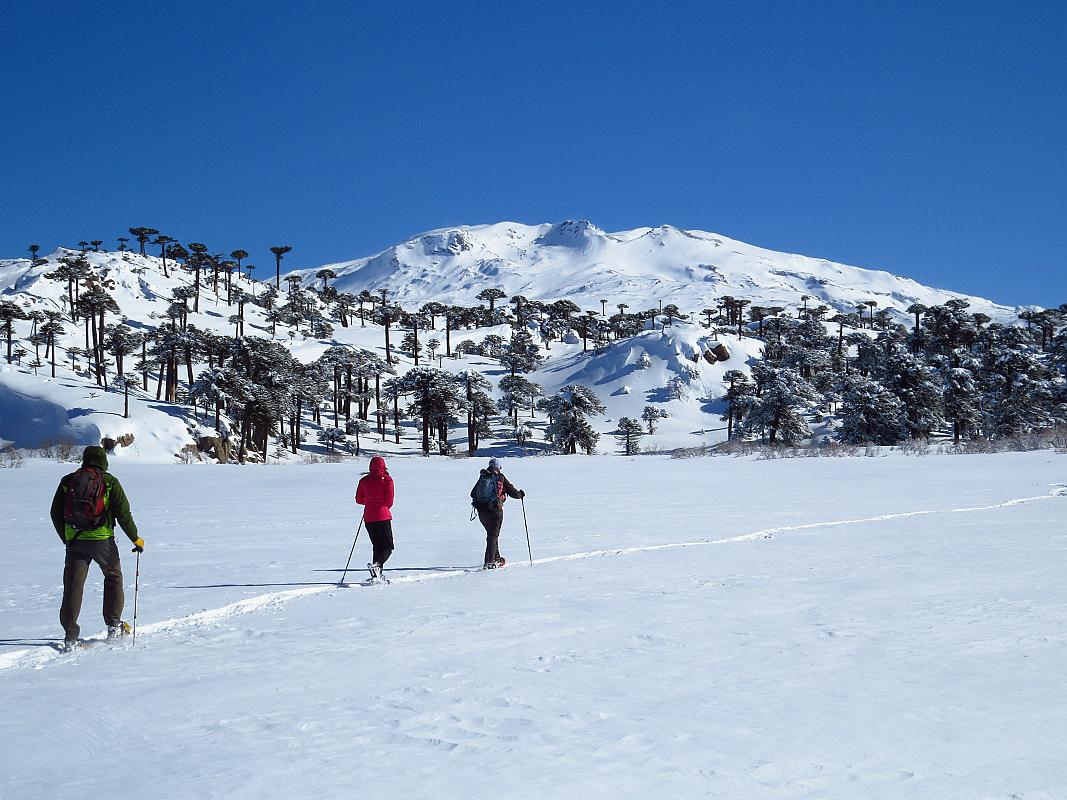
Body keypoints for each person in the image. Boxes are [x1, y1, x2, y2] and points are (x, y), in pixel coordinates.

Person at [49, 445, 143, 649]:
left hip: (75, 541)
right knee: (113, 577)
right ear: (103, 461)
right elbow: (123, 514)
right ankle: (113, 625)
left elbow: (55, 512)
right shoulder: (109, 481)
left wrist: (67, 538)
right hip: (103, 542)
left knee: (73, 585)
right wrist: (135, 539)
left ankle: (70, 635)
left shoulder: (68, 481)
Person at [470, 457, 524, 569]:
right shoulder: (500, 477)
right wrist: (520, 494)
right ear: (498, 467)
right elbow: (513, 492)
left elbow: (472, 493)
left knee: (492, 535)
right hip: (495, 511)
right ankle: (490, 562)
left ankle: (496, 558)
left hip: (482, 511)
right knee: (492, 536)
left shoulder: (483, 476)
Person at [355, 455, 394, 580]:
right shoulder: (387, 480)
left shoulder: (364, 480)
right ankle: (377, 566)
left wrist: (370, 502)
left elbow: (359, 499)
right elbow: (389, 501)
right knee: (388, 546)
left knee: (377, 546)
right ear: (383, 466)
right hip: (382, 516)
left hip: (369, 518)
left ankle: (377, 573)